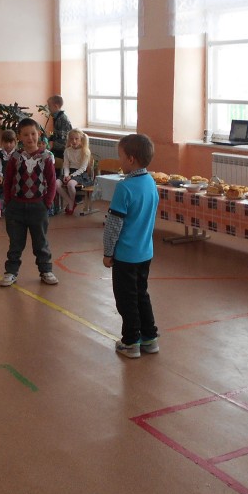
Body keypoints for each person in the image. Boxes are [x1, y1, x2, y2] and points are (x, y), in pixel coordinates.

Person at [102, 133, 160, 359]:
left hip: (126, 256)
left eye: (121, 156)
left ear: (131, 159)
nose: (120, 161)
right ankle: (150, 337)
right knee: (141, 294)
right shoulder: (150, 182)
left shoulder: (124, 188)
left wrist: (108, 253)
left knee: (126, 299)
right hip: (145, 253)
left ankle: (131, 341)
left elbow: (113, 225)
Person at [0, 118, 58, 287]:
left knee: (41, 242)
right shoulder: (15, 157)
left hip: (38, 207)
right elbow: (8, 181)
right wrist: (8, 202)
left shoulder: (46, 157)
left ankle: (46, 270)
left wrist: (47, 203)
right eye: (25, 135)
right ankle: (11, 272)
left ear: (38, 134)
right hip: (16, 207)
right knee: (15, 243)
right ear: (19, 137)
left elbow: (52, 182)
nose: (30, 138)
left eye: (33, 134)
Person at [55, 129, 93, 216]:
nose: (74, 141)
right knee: (56, 184)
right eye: (71, 139)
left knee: (70, 184)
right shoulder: (67, 151)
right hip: (69, 172)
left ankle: (71, 205)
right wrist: (66, 175)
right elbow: (66, 165)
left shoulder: (85, 151)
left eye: (76, 139)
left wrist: (71, 176)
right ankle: (71, 202)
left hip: (80, 173)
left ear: (81, 139)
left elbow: (83, 168)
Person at [0, 129, 18, 219]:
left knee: (11, 191)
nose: (8, 145)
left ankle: (0, 206)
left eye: (11, 142)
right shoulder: (0, 153)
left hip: (14, 178)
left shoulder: (18, 154)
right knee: (0, 189)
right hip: (3, 176)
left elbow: (18, 169)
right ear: (2, 142)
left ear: (15, 142)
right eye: (6, 142)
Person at [47, 95, 73, 160]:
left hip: (62, 152)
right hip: (57, 149)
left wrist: (51, 145)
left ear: (56, 106)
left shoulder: (61, 119)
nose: (48, 108)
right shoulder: (56, 117)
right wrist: (49, 139)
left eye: (49, 106)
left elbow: (63, 141)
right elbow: (54, 133)